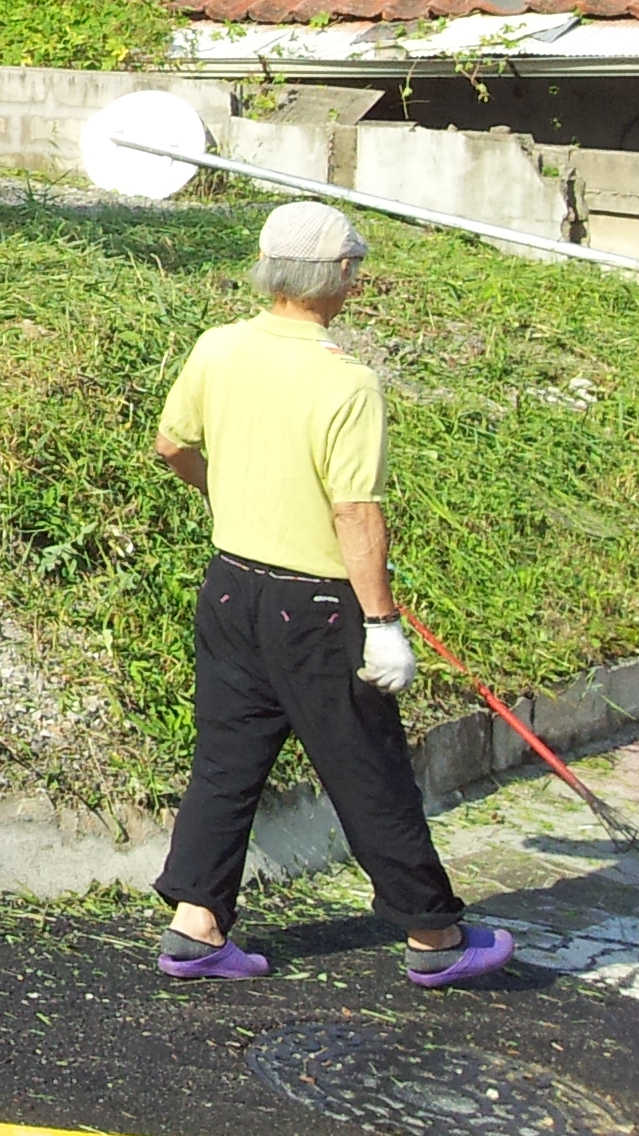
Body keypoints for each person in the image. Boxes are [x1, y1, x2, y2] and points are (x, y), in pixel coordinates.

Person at [147, 200, 515, 988]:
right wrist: (382, 623)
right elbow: (355, 513)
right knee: (366, 767)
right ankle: (435, 934)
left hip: (230, 590)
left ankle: (196, 927)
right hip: (314, 609)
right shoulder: (346, 382)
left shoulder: (219, 348)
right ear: (341, 275)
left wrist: (229, 498)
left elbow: (172, 445)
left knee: (225, 761)